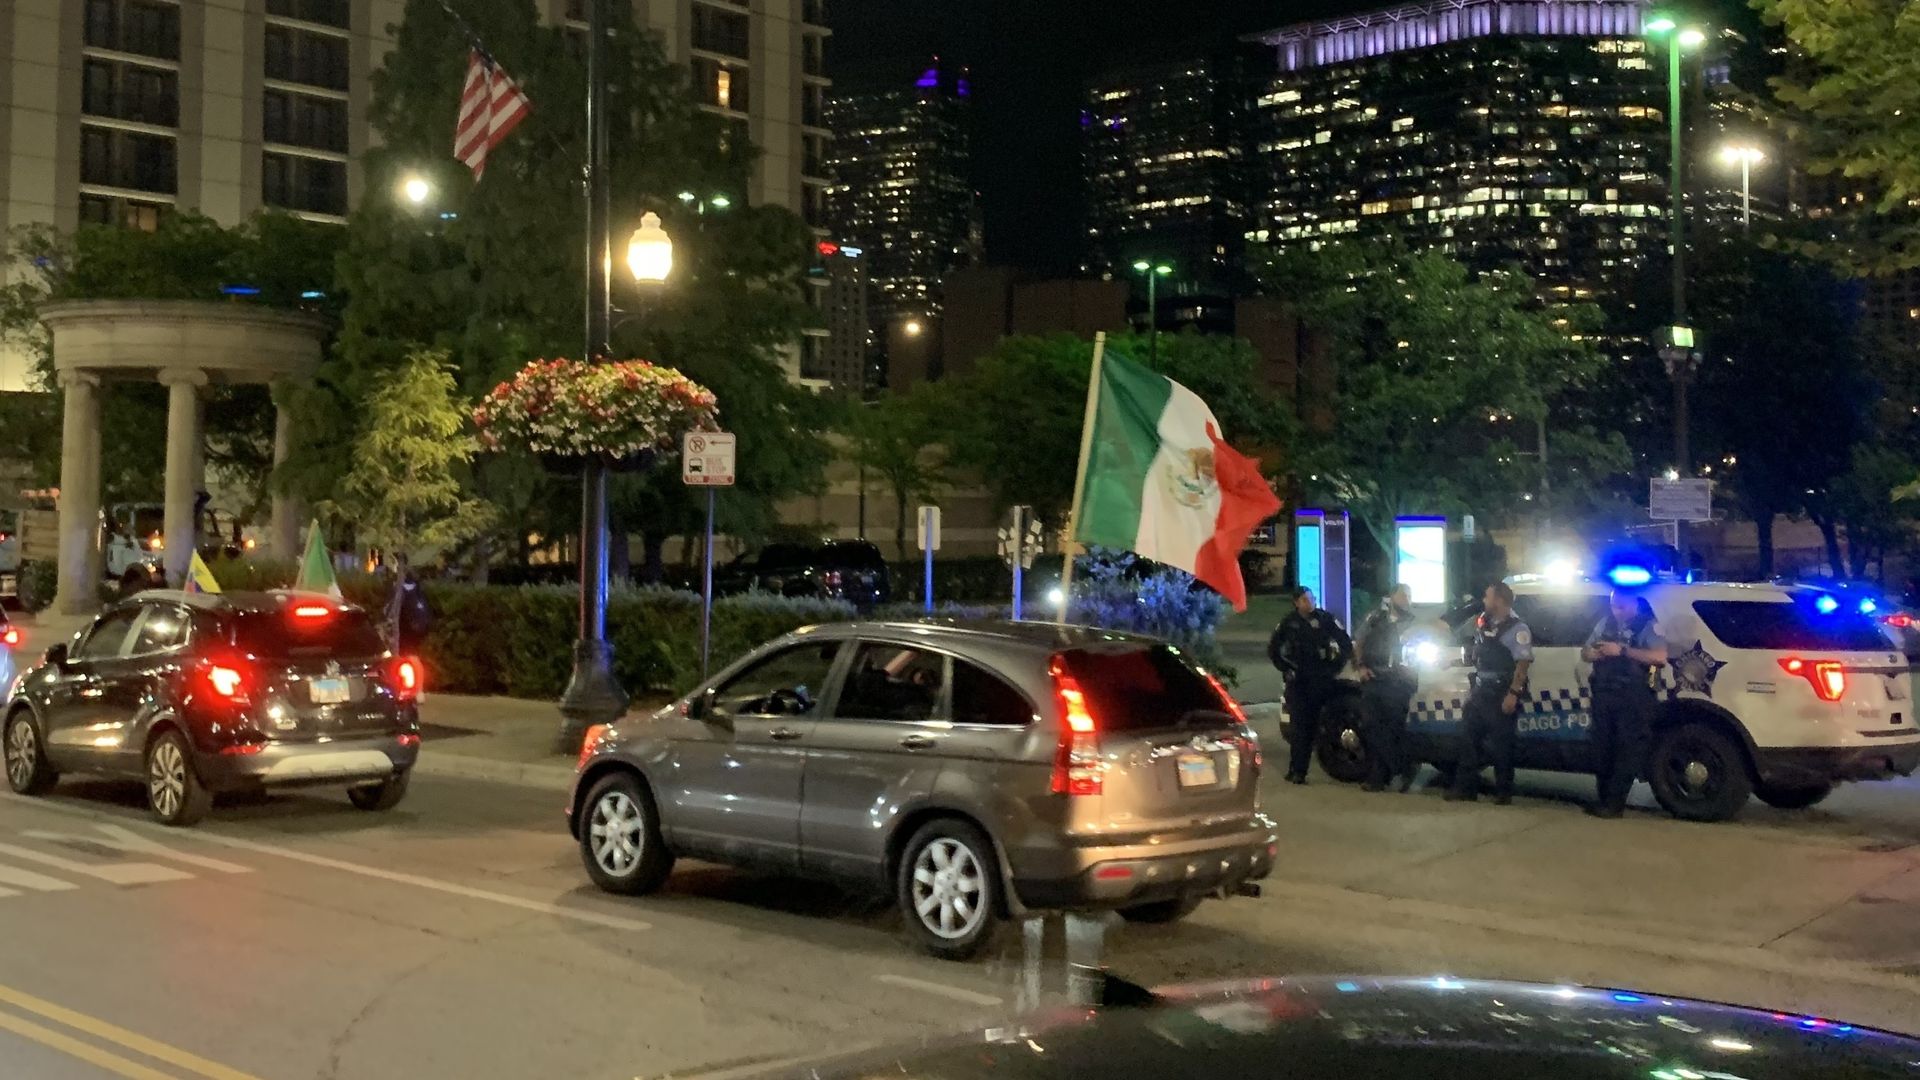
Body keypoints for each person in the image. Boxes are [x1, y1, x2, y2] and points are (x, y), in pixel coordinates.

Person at [1580, 590, 1667, 818]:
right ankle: (1604, 800)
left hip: (1633, 696)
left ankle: (1614, 804)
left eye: (1620, 606)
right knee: (1602, 747)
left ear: (1633, 605)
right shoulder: (1605, 623)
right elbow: (1585, 651)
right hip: (1604, 693)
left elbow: (1659, 656)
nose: (1616, 610)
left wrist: (1623, 651)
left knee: (1626, 750)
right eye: (1613, 605)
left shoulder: (1647, 626)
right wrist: (1593, 653)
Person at [1446, 582, 1533, 805]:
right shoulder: (1485, 623)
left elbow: (1522, 664)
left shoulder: (1517, 628)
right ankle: (1465, 789)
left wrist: (1513, 693)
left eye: (1487, 596)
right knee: (1468, 739)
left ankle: (1503, 792)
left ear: (1499, 601)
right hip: (1481, 690)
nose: (1484, 600)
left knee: (1502, 745)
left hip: (1500, 691)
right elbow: (1477, 654)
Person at [1269, 586, 1352, 785]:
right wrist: (1285, 668)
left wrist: (1335, 666)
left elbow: (1345, 643)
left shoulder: (1325, 619)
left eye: (1312, 599)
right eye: (1305, 600)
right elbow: (1274, 649)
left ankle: (1337, 763)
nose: (1310, 603)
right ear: (1296, 602)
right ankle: (1297, 770)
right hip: (1298, 681)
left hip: (1321, 679)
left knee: (1320, 725)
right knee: (1299, 727)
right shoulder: (1289, 623)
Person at [1354, 583, 1420, 793]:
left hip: (1398, 682)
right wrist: (1361, 667)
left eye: (1409, 596)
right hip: (1374, 678)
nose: (1406, 600)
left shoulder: (1414, 623)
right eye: (1403, 595)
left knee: (1393, 729)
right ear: (1392, 596)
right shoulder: (1375, 618)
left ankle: (1380, 777)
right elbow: (1359, 642)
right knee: (1371, 726)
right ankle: (1397, 769)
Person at [385, 555, 432, 655]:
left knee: (403, 652)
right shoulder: (415, 583)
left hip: (405, 627)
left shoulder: (398, 585)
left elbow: (391, 609)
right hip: (416, 627)